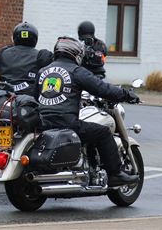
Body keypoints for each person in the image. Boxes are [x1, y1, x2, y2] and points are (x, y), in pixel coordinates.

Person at [36, 36, 140, 187]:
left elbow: (35, 97)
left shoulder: (43, 71)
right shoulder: (77, 71)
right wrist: (126, 94)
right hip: (66, 124)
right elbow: (102, 88)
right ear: (76, 53)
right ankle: (115, 174)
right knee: (103, 132)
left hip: (42, 123)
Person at [0, 22, 53, 96]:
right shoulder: (41, 55)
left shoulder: (3, 52)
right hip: (28, 97)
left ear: (15, 37)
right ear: (35, 38)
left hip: (4, 93)